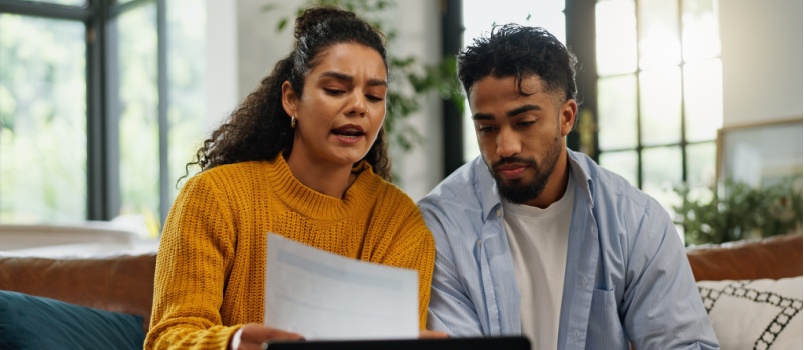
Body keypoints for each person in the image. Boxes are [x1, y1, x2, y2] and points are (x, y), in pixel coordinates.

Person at [145, 7, 437, 350]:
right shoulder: (213, 196)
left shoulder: (398, 221)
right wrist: (234, 342)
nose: (359, 106)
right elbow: (168, 338)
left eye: (374, 96)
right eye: (335, 89)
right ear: (291, 99)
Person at [418, 24, 720, 349]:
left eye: (524, 123)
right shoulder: (441, 225)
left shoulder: (637, 221)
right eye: (487, 128)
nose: (504, 146)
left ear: (567, 117)